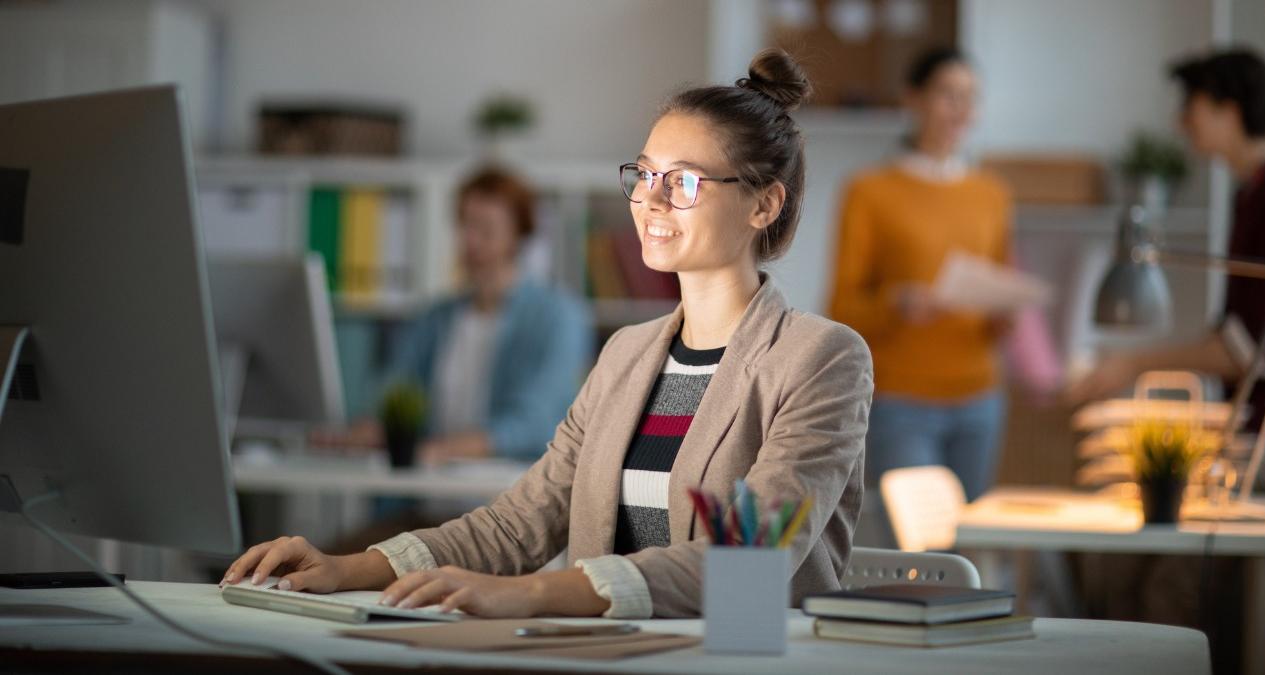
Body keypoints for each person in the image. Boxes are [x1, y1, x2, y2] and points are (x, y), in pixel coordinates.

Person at [221, 48, 873, 619]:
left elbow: (745, 562)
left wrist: (532, 593)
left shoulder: (820, 359)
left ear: (763, 204)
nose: (649, 201)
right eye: (644, 175)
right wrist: (347, 567)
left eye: (683, 183)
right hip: (601, 654)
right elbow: (519, 521)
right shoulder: (627, 354)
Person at [1069, 48, 1265, 490]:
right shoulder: (1252, 193)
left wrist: (1131, 365)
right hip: (1256, 428)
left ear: (1227, 109)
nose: (1181, 122)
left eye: (1190, 106)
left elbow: (1248, 349)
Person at [828, 47, 1013, 504]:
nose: (962, 110)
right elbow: (841, 308)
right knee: (921, 552)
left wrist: (1005, 315)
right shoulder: (870, 191)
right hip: (901, 402)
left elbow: (997, 295)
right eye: (949, 95)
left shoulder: (991, 194)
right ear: (913, 100)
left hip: (980, 399)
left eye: (971, 97)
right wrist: (897, 304)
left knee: (971, 548)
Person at [330, 167, 592, 465]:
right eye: (464, 225)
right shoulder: (434, 318)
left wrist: (443, 450)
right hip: (427, 495)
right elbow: (397, 391)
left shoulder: (559, 317)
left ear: (518, 234)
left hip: (509, 498)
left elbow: (536, 421)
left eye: (485, 229)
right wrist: (372, 429)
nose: (470, 241)